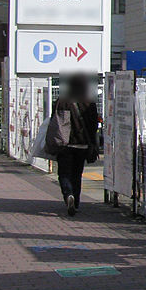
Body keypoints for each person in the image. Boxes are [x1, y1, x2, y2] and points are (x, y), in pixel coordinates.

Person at [50, 74, 99, 216]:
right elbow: (93, 124)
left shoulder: (62, 101)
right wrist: (92, 143)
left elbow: (54, 122)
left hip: (64, 143)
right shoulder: (89, 102)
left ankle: (68, 195)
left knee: (64, 173)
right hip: (83, 144)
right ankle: (75, 203)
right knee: (77, 175)